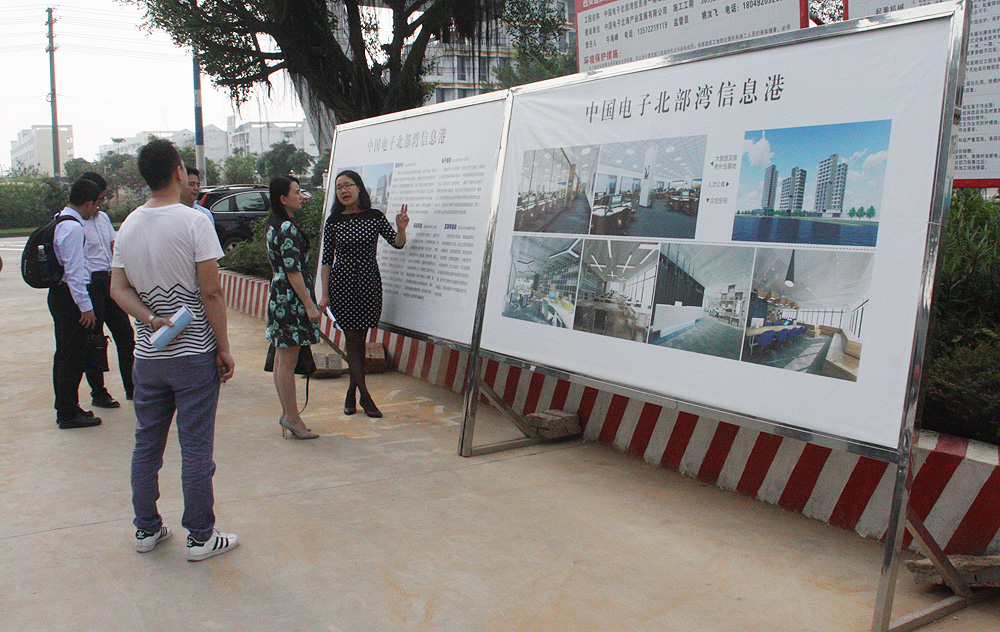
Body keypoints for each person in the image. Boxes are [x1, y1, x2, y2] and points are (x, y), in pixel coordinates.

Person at [110, 138, 238, 561]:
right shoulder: (194, 221)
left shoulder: (128, 225)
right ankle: (201, 536)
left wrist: (150, 320)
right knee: (196, 447)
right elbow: (211, 292)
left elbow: (117, 288)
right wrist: (223, 348)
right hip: (194, 353)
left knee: (147, 444)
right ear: (178, 171)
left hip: (149, 356)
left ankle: (146, 528)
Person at [319, 170, 408, 418]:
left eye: (348, 185)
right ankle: (366, 397)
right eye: (339, 187)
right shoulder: (334, 220)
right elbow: (326, 260)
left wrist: (401, 228)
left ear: (359, 188)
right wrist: (324, 294)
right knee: (353, 339)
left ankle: (351, 392)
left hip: (369, 283)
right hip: (342, 285)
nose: (343, 191)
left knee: (360, 339)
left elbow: (397, 243)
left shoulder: (374, 216)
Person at [265, 176, 322, 439]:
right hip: (291, 299)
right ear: (283, 199)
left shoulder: (273, 223)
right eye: (297, 192)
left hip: (279, 295)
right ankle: (292, 417)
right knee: (287, 361)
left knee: (281, 358)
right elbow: (293, 270)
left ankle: (288, 413)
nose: (301, 196)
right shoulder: (286, 227)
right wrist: (309, 305)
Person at [49, 178, 104, 429]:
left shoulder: (59, 219)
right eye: (97, 203)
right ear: (89, 202)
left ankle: (66, 406)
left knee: (64, 354)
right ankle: (68, 413)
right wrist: (86, 307)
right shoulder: (73, 228)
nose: (97, 209)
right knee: (72, 356)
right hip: (70, 298)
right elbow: (75, 272)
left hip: (60, 295)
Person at [79, 172, 135, 406]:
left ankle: (133, 388)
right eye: (98, 199)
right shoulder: (73, 222)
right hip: (90, 283)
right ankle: (98, 393)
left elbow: (113, 246)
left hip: (109, 280)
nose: (100, 204)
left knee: (126, 334)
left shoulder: (102, 218)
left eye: (102, 199)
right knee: (95, 339)